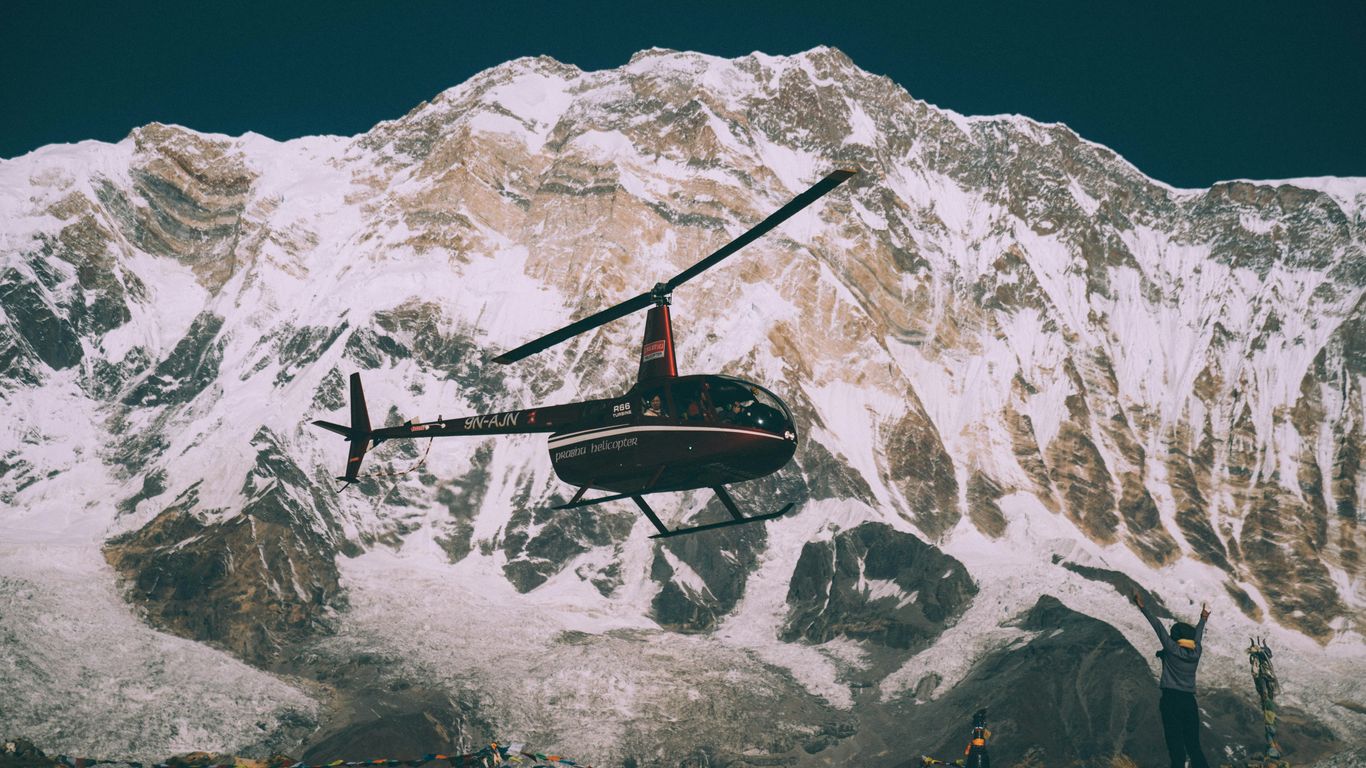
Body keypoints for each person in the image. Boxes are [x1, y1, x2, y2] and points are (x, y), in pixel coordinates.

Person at [1133, 590, 1212, 768]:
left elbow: (1158, 627)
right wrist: (1203, 618)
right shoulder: (1196, 652)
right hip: (1189, 702)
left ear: (1176, 637)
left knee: (1176, 747)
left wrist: (1143, 607)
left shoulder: (1171, 649)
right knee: (1194, 746)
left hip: (1171, 701)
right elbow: (1198, 636)